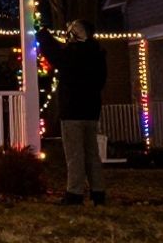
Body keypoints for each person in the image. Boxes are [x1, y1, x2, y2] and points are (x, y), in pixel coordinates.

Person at [36, 18, 108, 205]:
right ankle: (98, 192)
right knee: (92, 153)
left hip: (73, 111)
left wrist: (43, 35)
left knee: (75, 154)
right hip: (91, 111)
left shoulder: (73, 53)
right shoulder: (97, 54)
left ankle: (74, 193)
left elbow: (56, 56)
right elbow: (101, 81)